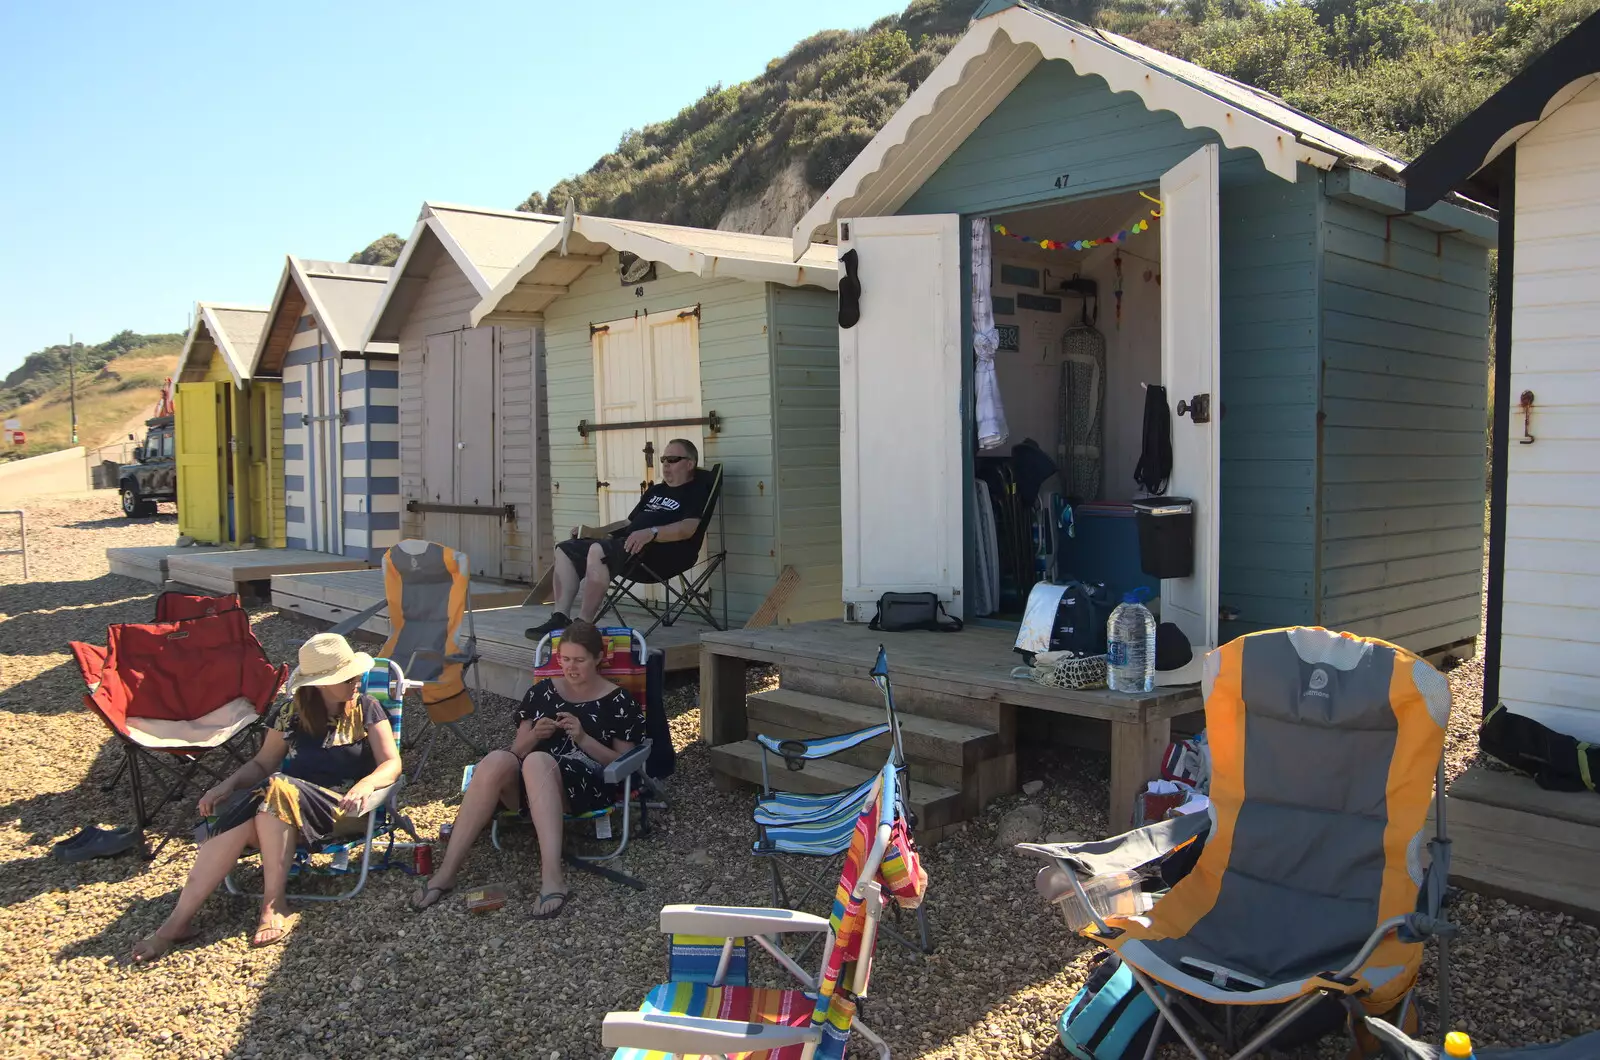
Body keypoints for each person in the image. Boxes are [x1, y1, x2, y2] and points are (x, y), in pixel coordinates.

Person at [130, 633, 400, 962]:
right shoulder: (291, 713)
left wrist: (367, 784)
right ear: (320, 683)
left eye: (355, 674)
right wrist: (225, 785)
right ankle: (175, 923)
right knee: (265, 798)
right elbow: (262, 763)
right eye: (347, 677)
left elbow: (392, 763)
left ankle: (274, 903)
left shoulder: (367, 708)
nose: (357, 680)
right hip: (283, 814)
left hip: (344, 811)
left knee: (270, 791)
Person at [412, 620, 643, 919]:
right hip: (527, 784)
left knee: (536, 761)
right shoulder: (542, 692)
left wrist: (583, 738)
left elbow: (622, 764)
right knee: (496, 759)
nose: (571, 668)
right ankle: (446, 872)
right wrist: (534, 735)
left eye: (580, 660)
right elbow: (516, 751)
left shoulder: (618, 701)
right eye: (565, 659)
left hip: (584, 787)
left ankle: (552, 877)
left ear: (599, 658)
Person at [525, 437, 709, 640]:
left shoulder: (696, 490)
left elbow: (689, 528)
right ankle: (559, 617)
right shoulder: (656, 490)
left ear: (690, 464)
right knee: (566, 549)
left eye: (672, 459)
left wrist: (652, 533)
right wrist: (594, 531)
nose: (665, 464)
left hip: (661, 554)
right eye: (663, 459)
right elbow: (627, 524)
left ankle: (583, 625)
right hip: (627, 548)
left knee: (598, 551)